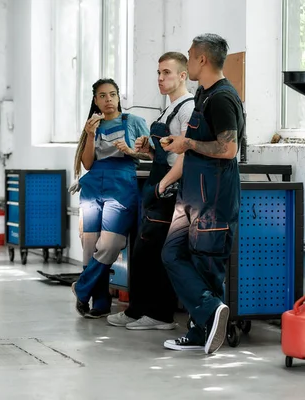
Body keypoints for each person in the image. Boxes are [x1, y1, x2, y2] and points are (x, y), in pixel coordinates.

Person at [159, 34, 245, 354]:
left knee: (207, 264)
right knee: (173, 253)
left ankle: (202, 330)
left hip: (214, 197)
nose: (189, 58)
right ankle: (209, 312)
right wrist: (171, 173)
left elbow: (229, 148)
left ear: (202, 60)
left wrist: (188, 144)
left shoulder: (222, 98)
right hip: (191, 195)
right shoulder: (203, 95)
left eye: (191, 54)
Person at [106, 52, 194, 330]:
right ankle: (138, 310)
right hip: (158, 186)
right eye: (158, 72)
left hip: (169, 191)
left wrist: (163, 185)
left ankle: (160, 315)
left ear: (182, 75)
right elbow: (165, 151)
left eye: (167, 72)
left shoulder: (188, 108)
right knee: (143, 251)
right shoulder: (168, 109)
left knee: (155, 253)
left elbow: (185, 155)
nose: (160, 78)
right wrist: (147, 149)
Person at [71, 78, 151, 318]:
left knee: (110, 244)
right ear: (96, 101)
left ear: (119, 98)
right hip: (94, 185)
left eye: (113, 94)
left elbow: (151, 155)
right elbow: (87, 163)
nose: (108, 100)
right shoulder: (92, 126)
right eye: (103, 96)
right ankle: (100, 302)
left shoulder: (135, 122)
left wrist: (131, 151)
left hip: (121, 185)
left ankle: (81, 287)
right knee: (89, 245)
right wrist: (89, 134)